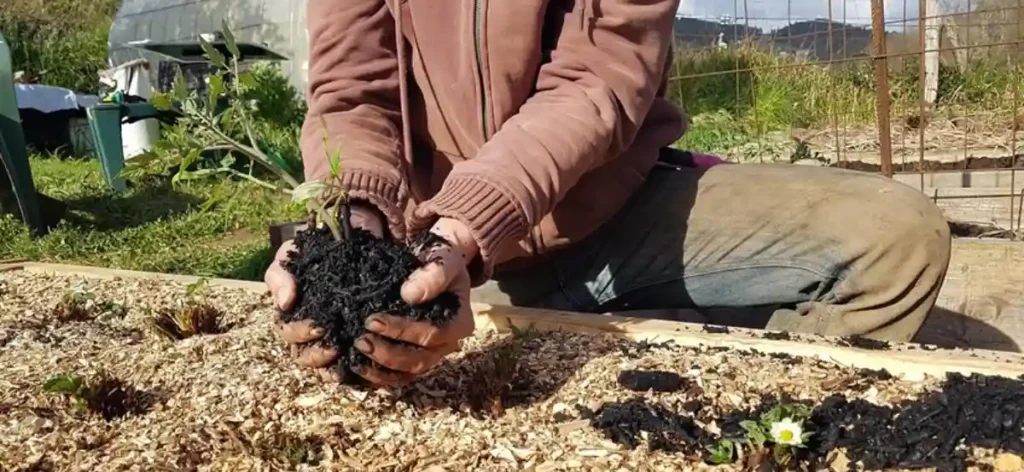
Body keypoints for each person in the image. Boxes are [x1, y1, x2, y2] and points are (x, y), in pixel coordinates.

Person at [264, 0, 952, 387]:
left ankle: (753, 421)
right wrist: (353, 222)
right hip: (440, 245)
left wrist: (470, 223)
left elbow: (597, 82)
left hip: (614, 214)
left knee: (897, 239)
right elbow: (352, 93)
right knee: (382, 323)